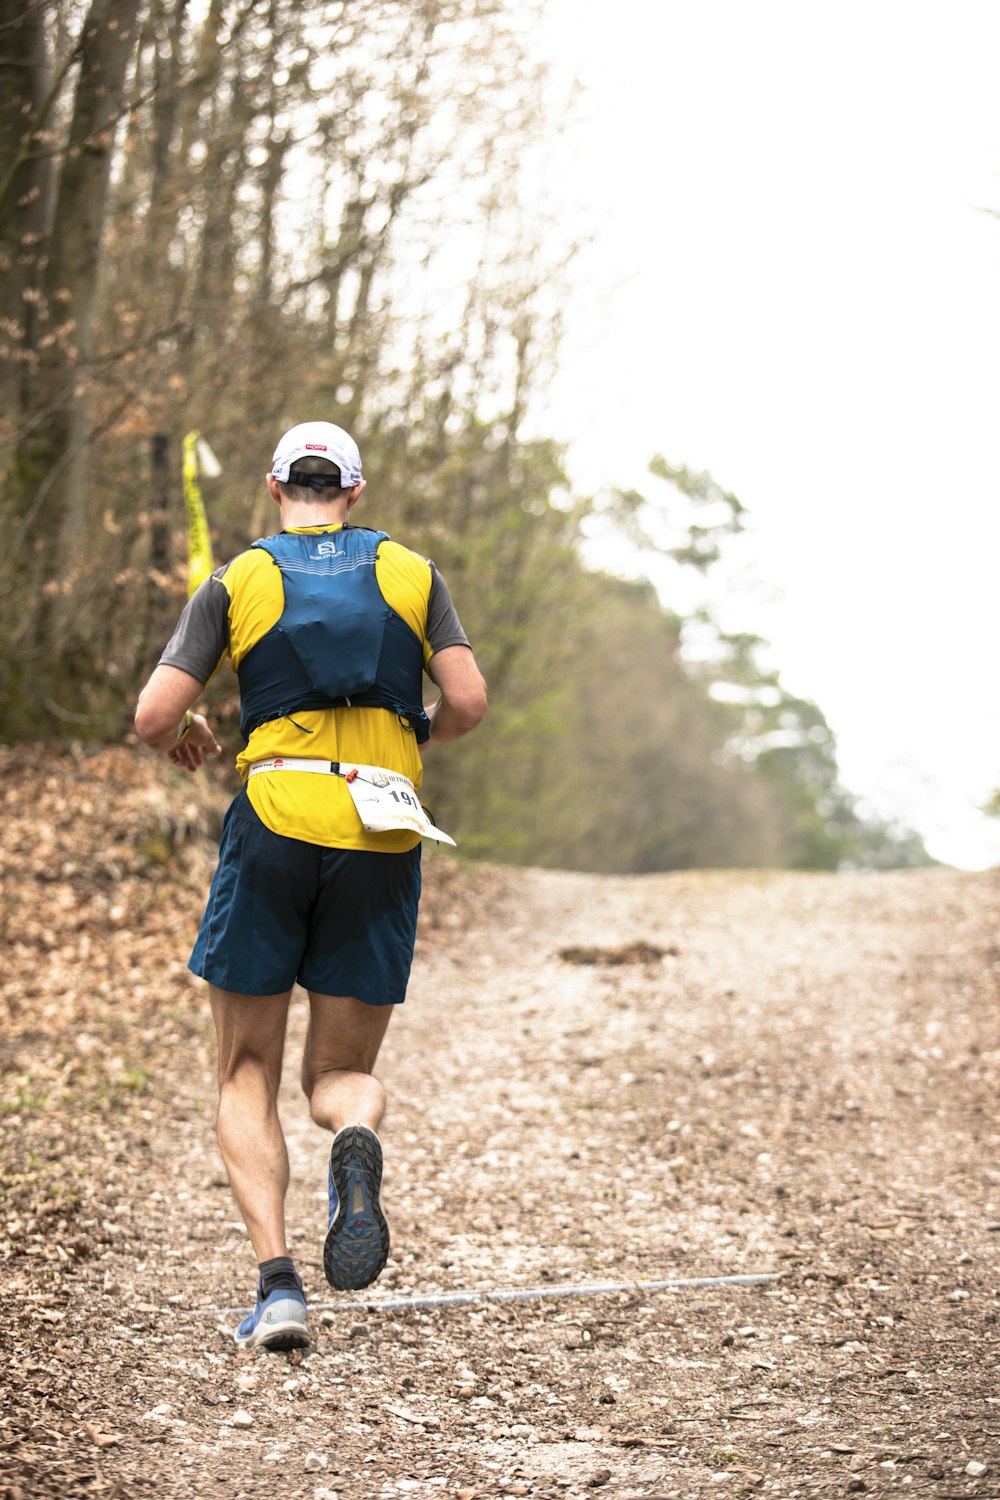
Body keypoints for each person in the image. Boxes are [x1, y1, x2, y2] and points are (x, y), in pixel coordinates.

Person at [134, 420, 487, 1351]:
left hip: (278, 817)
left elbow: (154, 714)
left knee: (244, 1069)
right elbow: (470, 703)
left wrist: (190, 730)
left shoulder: (241, 576)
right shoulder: (413, 573)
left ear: (276, 486)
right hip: (382, 823)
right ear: (355, 493)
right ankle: (354, 1141)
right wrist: (414, 734)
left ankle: (280, 1289)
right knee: (336, 1074)